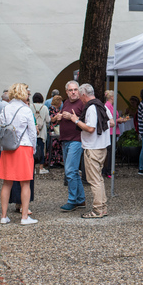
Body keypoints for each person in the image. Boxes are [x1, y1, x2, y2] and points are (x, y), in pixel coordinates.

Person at [0, 83, 38, 225]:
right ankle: (24, 217)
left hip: (8, 148)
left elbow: (1, 128)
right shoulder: (26, 110)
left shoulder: (5, 109)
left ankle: (3, 216)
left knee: (6, 183)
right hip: (24, 146)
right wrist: (34, 148)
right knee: (25, 183)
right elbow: (32, 132)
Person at [73, 84, 114, 219]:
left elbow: (90, 129)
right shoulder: (102, 105)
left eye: (80, 96)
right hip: (103, 146)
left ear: (84, 95)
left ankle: (97, 210)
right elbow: (112, 122)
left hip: (93, 147)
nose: (80, 99)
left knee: (94, 180)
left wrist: (76, 120)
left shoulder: (91, 108)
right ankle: (103, 207)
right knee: (99, 179)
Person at [53, 80, 86, 211]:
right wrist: (59, 117)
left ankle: (72, 200)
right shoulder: (66, 102)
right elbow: (61, 117)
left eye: (75, 90)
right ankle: (81, 200)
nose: (73, 92)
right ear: (66, 92)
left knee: (70, 171)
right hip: (65, 140)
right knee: (73, 172)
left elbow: (86, 121)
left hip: (76, 140)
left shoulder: (82, 103)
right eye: (71, 90)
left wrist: (72, 116)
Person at [103, 90, 129, 179]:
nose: (116, 98)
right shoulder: (107, 106)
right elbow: (108, 120)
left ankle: (108, 169)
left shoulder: (111, 106)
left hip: (113, 130)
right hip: (110, 131)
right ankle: (108, 170)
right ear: (111, 97)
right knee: (109, 151)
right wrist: (118, 120)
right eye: (115, 96)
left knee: (110, 151)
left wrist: (119, 120)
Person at [31, 92, 51, 175]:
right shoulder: (45, 107)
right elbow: (48, 120)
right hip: (42, 132)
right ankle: (41, 168)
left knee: (32, 150)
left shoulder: (30, 106)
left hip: (32, 131)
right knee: (41, 149)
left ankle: (33, 168)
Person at [46, 95, 64, 167]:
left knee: (58, 145)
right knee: (53, 145)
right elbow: (52, 119)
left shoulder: (58, 109)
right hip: (53, 129)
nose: (61, 103)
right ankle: (51, 161)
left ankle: (57, 161)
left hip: (57, 129)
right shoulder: (51, 109)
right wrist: (58, 115)